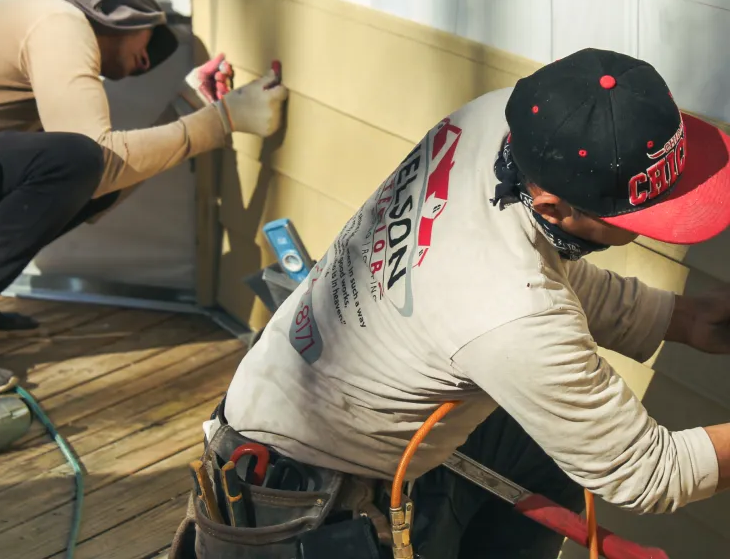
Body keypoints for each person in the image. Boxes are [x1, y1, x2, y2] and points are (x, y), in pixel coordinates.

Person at [199, 49, 730, 558]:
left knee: (542, 449)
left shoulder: (497, 123)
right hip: (299, 505)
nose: (660, 224)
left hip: (306, 400)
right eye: (641, 219)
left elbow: (532, 273)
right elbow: (650, 472)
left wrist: (677, 317)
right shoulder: (506, 312)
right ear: (551, 204)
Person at [0, 0, 287, 396]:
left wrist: (191, 106)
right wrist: (221, 122)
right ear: (118, 12)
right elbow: (94, 161)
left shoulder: (42, 20)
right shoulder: (59, 22)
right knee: (72, 162)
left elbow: (94, 181)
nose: (150, 58)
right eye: (150, 37)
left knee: (70, 174)